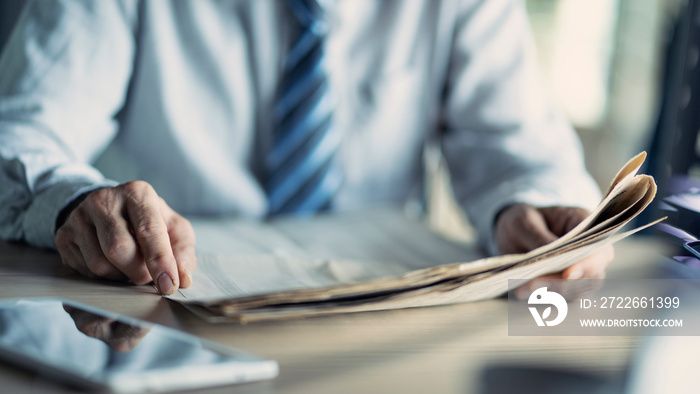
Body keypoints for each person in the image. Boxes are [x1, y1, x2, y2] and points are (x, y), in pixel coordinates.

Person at [0, 0, 612, 296]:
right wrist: (75, 203)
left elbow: (520, 146)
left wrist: (534, 207)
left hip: (377, 311)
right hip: (161, 305)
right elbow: (22, 132)